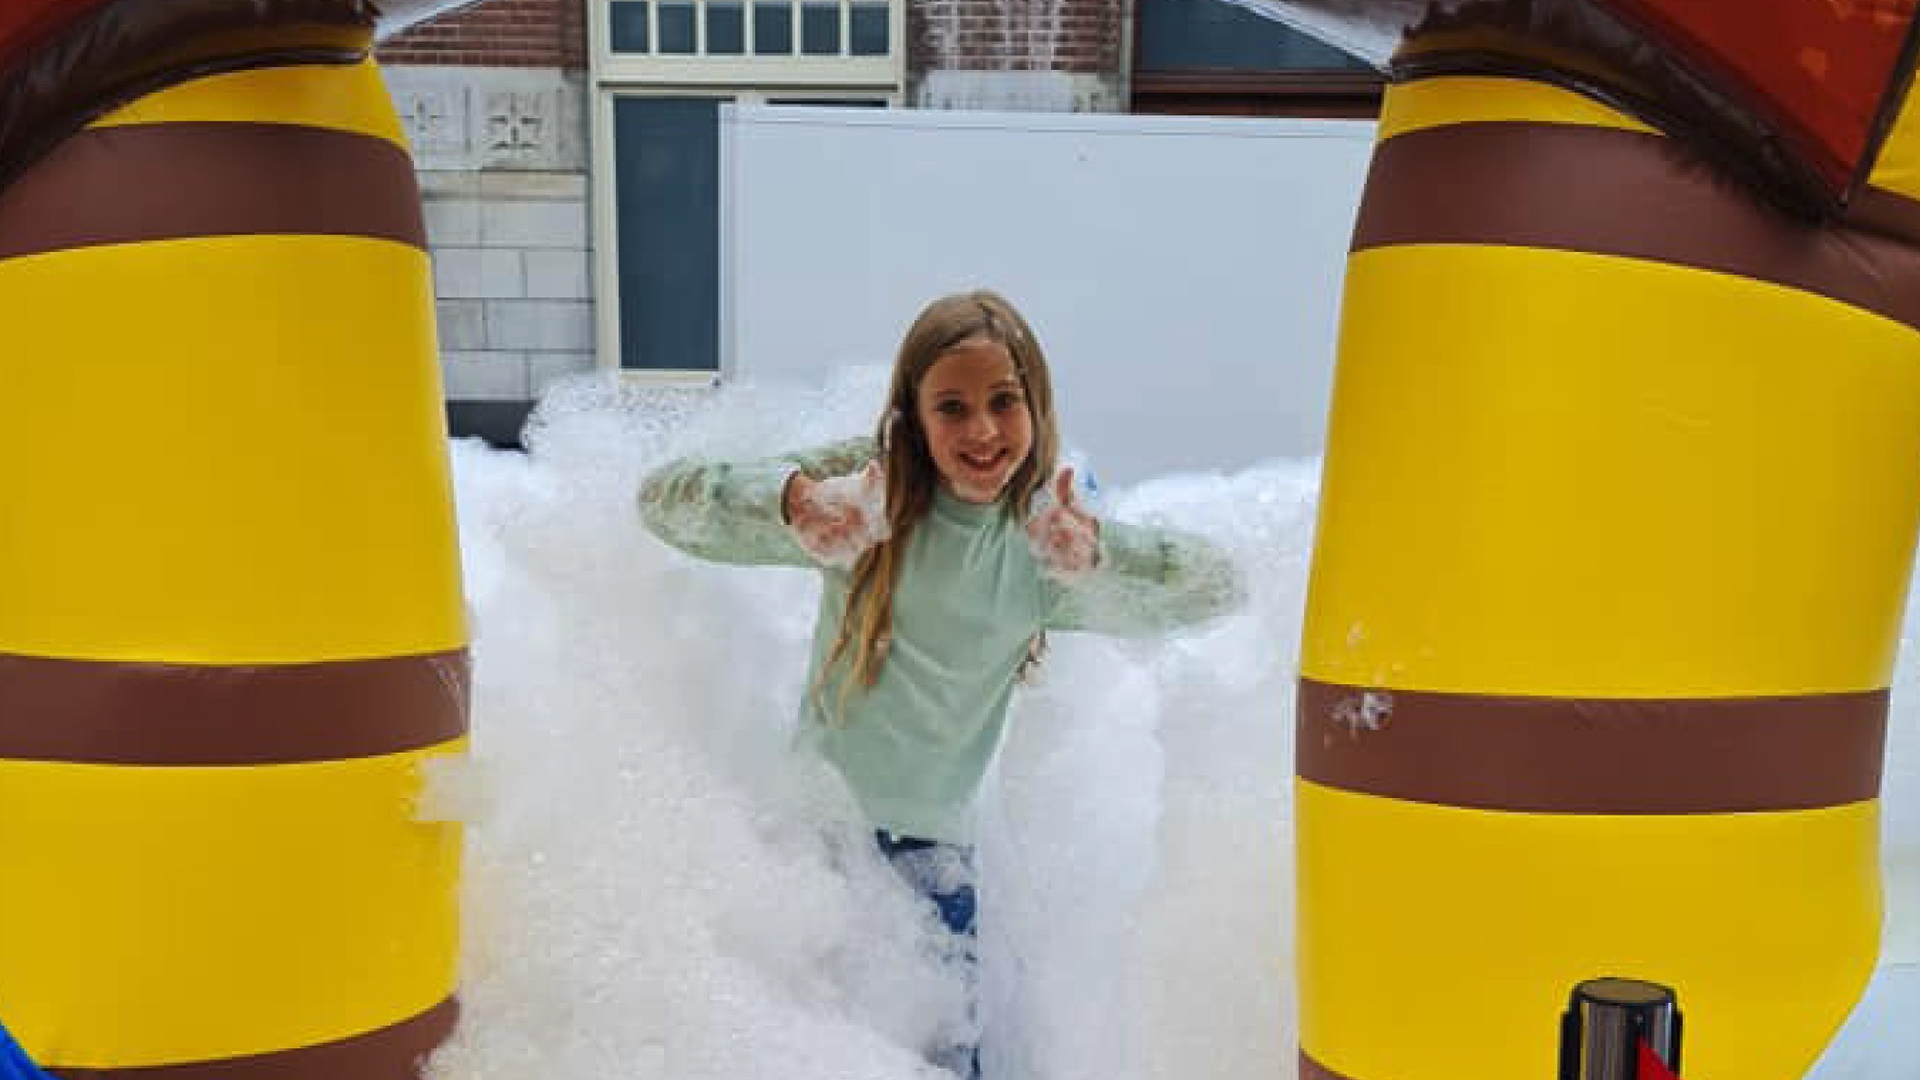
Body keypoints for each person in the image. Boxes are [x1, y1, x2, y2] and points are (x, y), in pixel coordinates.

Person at [636, 289, 1245, 1077]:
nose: (982, 430)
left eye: (1003, 401)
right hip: (817, 842)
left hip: (934, 866)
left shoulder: (1042, 542)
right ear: (913, 419)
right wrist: (790, 501)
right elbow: (661, 502)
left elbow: (1219, 587)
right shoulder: (864, 498)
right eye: (951, 407)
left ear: (1037, 407)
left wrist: (1101, 557)